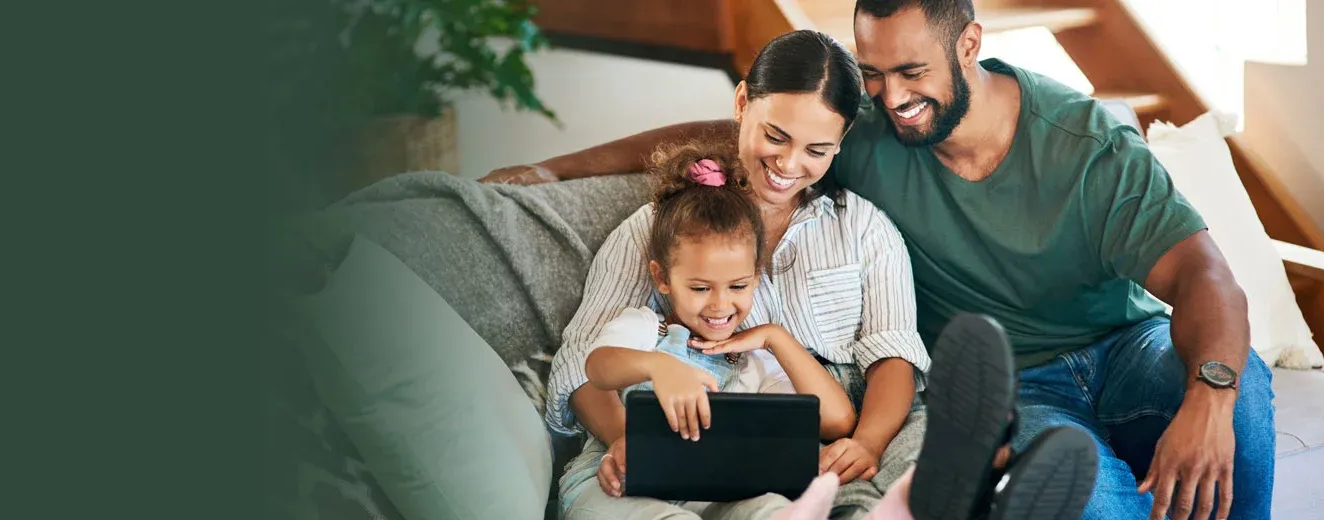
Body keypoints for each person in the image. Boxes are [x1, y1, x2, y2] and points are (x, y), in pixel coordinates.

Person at [489, 1, 1277, 519]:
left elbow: (1207, 279)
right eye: (874, 75)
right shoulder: (850, 141)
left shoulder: (1079, 145)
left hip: (1120, 346)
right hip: (1013, 381)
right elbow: (729, 134)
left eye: (911, 73)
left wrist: (1208, 397)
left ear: (970, 45)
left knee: (1239, 389)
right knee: (1070, 489)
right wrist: (554, 170)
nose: (893, 97)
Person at [566, 138, 862, 518]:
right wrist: (660, 367)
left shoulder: (753, 358)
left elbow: (838, 420)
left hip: (713, 495)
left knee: (772, 509)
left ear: (756, 278)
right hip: (616, 484)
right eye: (700, 288)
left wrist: (776, 337)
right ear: (662, 278)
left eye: (738, 286)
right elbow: (597, 368)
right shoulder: (644, 329)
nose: (721, 305)